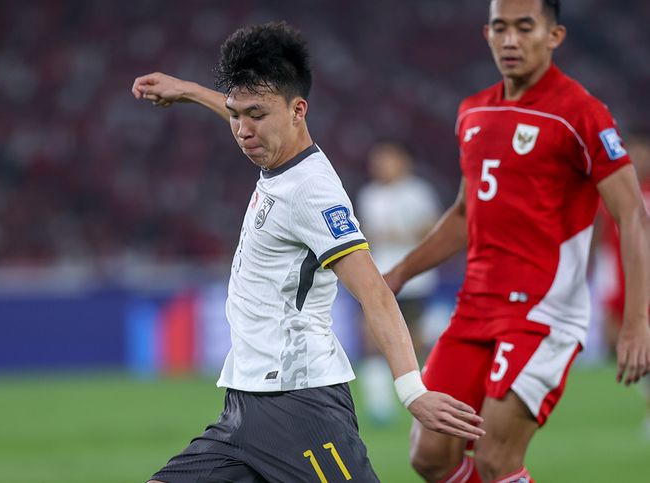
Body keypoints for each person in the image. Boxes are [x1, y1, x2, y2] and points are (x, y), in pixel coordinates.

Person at [132, 22, 484, 483]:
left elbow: (374, 292)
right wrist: (189, 91)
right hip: (243, 406)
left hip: (299, 405)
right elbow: (248, 112)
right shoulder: (276, 153)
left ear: (298, 110)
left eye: (256, 115)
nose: (242, 130)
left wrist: (411, 390)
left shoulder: (312, 191)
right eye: (236, 114)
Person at [383, 1, 650, 482]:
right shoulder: (473, 112)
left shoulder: (581, 113)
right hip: (474, 308)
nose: (510, 40)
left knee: (495, 457)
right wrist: (398, 274)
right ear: (486, 34)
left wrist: (637, 321)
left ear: (554, 36)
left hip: (542, 315)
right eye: (500, 28)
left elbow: (632, 214)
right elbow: (465, 214)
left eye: (525, 27)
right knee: (430, 455)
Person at [357, 141, 443, 425]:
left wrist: (403, 234)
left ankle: (426, 393)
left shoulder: (418, 192)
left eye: (387, 159)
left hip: (414, 280)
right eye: (378, 161)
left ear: (403, 162)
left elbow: (434, 228)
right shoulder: (369, 195)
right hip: (378, 278)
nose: (381, 166)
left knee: (413, 342)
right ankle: (380, 407)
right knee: (372, 339)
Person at [595, 131, 650, 438]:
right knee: (617, 338)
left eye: (643, 152)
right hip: (620, 279)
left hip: (644, 280)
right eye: (633, 152)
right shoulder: (614, 191)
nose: (638, 158)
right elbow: (604, 238)